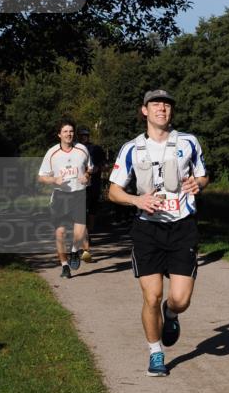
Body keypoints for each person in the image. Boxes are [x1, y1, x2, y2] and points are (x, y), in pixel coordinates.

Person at [107, 89, 208, 377]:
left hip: (182, 227)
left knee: (181, 299)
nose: (161, 109)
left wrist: (198, 184)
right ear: (144, 110)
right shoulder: (132, 148)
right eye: (155, 104)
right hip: (147, 229)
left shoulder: (188, 142)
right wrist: (137, 200)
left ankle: (171, 313)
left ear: (171, 111)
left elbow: (203, 175)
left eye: (166, 105)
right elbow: (113, 191)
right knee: (151, 297)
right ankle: (155, 353)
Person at [38, 118, 90, 279]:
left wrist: (86, 176)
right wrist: (54, 179)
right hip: (60, 196)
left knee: (79, 232)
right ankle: (64, 265)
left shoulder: (82, 149)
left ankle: (74, 251)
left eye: (71, 131)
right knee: (60, 233)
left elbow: (90, 168)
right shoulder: (52, 153)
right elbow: (41, 177)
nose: (69, 134)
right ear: (59, 134)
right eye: (65, 131)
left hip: (79, 193)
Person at [76, 126, 106, 262]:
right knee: (81, 216)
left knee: (92, 213)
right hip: (79, 187)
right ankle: (84, 244)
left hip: (94, 185)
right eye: (81, 135)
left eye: (86, 135)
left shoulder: (96, 149)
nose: (84, 137)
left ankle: (89, 233)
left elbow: (103, 165)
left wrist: (97, 169)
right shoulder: (74, 149)